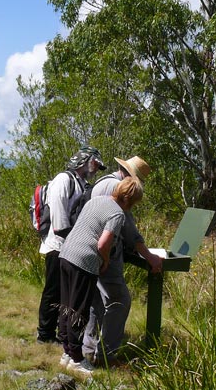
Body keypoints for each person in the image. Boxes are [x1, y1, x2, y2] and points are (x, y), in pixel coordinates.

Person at [58, 177, 144, 376]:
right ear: (131, 199)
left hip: (65, 255)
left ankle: (67, 353)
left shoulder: (96, 200)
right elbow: (103, 244)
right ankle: (77, 359)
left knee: (66, 306)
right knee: (79, 310)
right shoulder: (117, 214)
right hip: (84, 261)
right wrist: (105, 261)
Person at [82, 156, 163, 367]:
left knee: (97, 302)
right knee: (120, 301)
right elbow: (128, 230)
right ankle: (106, 356)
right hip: (105, 254)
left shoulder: (102, 182)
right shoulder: (119, 188)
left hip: (88, 251)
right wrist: (149, 256)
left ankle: (89, 348)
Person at [36, 146, 106, 344]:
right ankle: (45, 334)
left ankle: (59, 333)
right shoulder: (63, 180)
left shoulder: (81, 183)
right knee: (53, 291)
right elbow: (59, 221)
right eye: (95, 163)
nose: (96, 168)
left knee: (65, 295)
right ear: (85, 161)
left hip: (69, 247)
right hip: (57, 246)